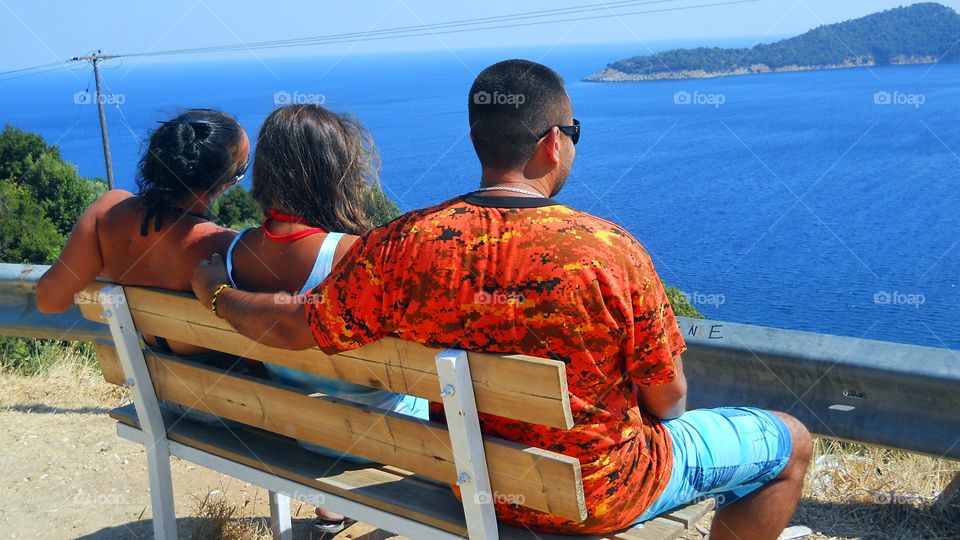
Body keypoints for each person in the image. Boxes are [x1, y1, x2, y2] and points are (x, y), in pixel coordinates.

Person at [191, 60, 813, 539]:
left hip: (476, 482)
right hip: (602, 491)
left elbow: (300, 324)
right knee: (791, 442)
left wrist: (218, 295)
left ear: (478, 139)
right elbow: (671, 401)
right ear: (551, 143)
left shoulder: (404, 243)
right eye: (574, 132)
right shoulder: (610, 250)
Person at [222, 103, 427, 533]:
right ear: (334, 173)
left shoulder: (231, 255)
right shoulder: (352, 255)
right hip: (391, 440)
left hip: (303, 430)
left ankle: (342, 504)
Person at [37, 109, 251, 420]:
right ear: (222, 184)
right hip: (235, 408)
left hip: (157, 396)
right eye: (241, 170)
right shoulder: (228, 247)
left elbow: (49, 300)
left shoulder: (106, 213)